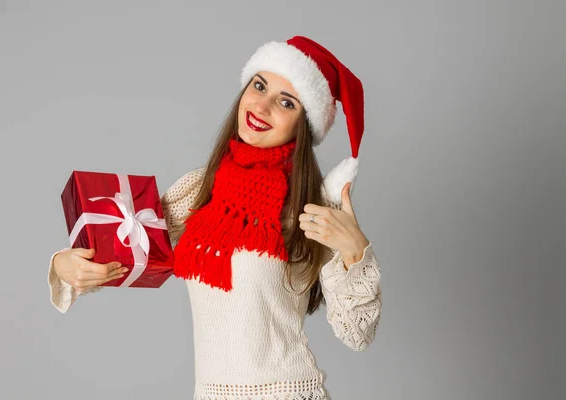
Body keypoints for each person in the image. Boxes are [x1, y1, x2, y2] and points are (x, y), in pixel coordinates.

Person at [47, 36, 382, 400]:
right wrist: (65, 266)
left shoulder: (315, 208)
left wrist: (355, 251)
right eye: (259, 85)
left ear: (304, 124)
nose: (262, 106)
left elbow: (357, 334)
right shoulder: (199, 190)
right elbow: (127, 252)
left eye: (286, 102)